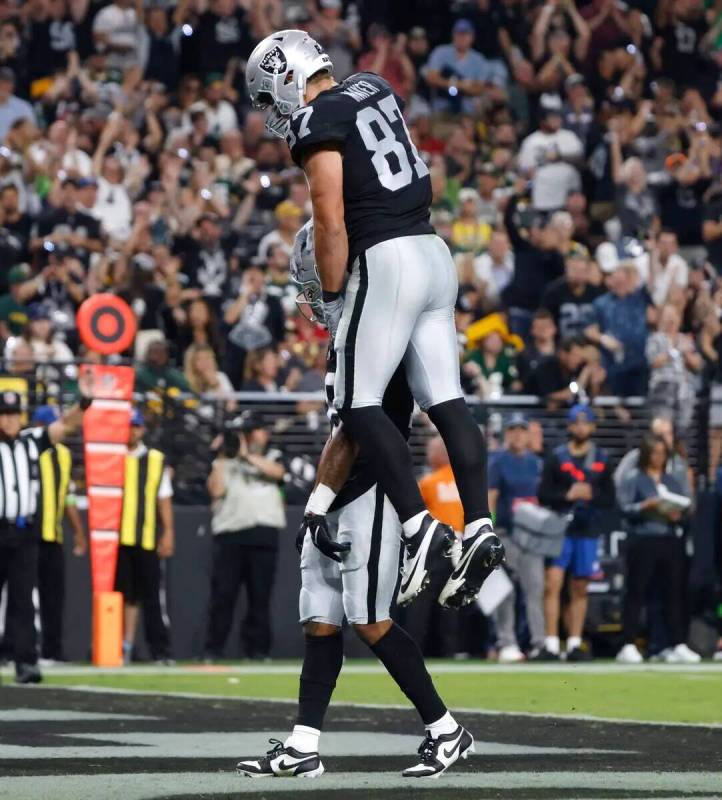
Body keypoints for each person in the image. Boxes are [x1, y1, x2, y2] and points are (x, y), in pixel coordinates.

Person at [245, 30, 503, 615]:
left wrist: (334, 293)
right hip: (434, 252)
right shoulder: (374, 85)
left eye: (269, 97)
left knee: (359, 405)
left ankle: (421, 530)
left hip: (386, 259)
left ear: (288, 76)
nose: (272, 113)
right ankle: (479, 523)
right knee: (446, 401)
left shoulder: (315, 120)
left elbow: (331, 219)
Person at [237, 222, 473, 779]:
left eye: (312, 280)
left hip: (369, 492)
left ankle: (445, 730)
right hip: (343, 493)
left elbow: (353, 434)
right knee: (319, 617)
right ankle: (303, 744)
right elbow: (340, 430)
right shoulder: (348, 335)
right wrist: (322, 500)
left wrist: (318, 502)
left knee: (369, 619)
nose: (310, 294)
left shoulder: (375, 335)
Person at [0, 388, 90, 683]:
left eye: (13, 414)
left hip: (25, 532)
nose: (9, 420)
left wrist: (84, 402)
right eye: (4, 414)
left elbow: (64, 425)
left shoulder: (30, 442)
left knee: (23, 600)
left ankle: (25, 662)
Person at [205, 412, 287, 660]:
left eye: (258, 430)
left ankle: (258, 650)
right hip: (231, 535)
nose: (254, 436)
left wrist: (245, 456)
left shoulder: (273, 456)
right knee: (223, 596)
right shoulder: (224, 462)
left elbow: (278, 473)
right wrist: (221, 457)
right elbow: (216, 491)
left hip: (263, 534)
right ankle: (213, 649)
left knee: (260, 598)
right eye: (249, 431)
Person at [537, 404, 615, 661]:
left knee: (580, 587)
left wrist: (592, 494)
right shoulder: (556, 458)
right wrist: (566, 495)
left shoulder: (602, 458)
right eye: (576, 422)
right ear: (570, 426)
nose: (581, 427)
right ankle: (549, 642)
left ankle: (573, 642)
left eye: (585, 422)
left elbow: (611, 499)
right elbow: (543, 494)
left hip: (587, 528)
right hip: (559, 528)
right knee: (553, 583)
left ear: (592, 427)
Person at [615, 435, 700, 665]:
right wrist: (645, 506)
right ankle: (628, 643)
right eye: (654, 453)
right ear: (646, 454)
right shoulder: (634, 478)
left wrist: (677, 514)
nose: (658, 458)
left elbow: (686, 507)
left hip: (670, 539)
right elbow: (624, 508)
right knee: (637, 592)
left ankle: (675, 643)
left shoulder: (672, 480)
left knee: (673, 593)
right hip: (643, 539)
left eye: (662, 453)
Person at [116, 410, 174, 664]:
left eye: (136, 426)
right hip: (118, 538)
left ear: (142, 429)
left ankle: (158, 650)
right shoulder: (111, 459)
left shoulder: (155, 460)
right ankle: (122, 646)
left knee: (151, 597)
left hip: (147, 537)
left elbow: (164, 499)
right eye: (129, 426)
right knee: (124, 596)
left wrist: (168, 532)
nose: (133, 431)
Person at [488, 413, 545, 663]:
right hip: (506, 533)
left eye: (522, 429)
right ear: (507, 433)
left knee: (535, 588)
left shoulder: (536, 463)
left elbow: (541, 499)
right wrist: (488, 529)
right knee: (506, 590)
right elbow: (491, 497)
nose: (518, 435)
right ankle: (507, 642)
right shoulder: (498, 461)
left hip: (532, 535)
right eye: (513, 430)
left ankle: (539, 643)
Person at [33, 405, 86, 664]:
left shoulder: (64, 455)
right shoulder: (30, 448)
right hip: (27, 536)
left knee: (54, 596)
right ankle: (10, 648)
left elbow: (68, 496)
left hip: (53, 536)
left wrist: (78, 532)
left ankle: (52, 649)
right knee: (19, 597)